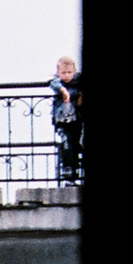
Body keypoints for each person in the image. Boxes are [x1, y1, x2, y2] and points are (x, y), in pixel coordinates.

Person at [49, 56, 83, 184]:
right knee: (66, 144)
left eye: (69, 72)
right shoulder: (57, 82)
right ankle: (69, 174)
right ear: (58, 72)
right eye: (63, 72)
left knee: (76, 143)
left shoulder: (78, 81)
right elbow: (53, 82)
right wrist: (63, 90)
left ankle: (75, 171)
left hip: (77, 119)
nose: (67, 76)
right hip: (62, 121)